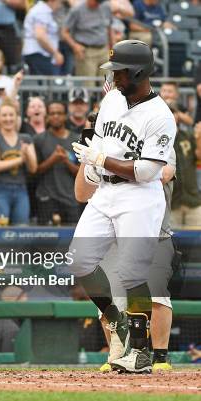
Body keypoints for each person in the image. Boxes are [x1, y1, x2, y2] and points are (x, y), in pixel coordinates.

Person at [69, 40, 177, 373]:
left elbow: (147, 171)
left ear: (139, 73)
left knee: (132, 273)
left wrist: (101, 159)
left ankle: (141, 353)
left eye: (120, 72)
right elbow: (100, 137)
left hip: (139, 196)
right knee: (79, 260)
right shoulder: (113, 98)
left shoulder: (161, 116)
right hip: (106, 190)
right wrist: (91, 165)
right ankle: (119, 323)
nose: (114, 77)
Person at [74, 147, 177, 372]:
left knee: (156, 293)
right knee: (109, 300)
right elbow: (81, 194)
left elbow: (161, 175)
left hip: (154, 232)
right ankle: (119, 354)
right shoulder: (104, 140)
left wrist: (105, 161)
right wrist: (90, 155)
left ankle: (157, 356)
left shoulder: (157, 136)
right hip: (112, 233)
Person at [0, 98, 37, 225]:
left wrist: (28, 155)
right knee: (0, 229)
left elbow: (33, 168)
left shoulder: (26, 138)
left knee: (22, 229)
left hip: (21, 190)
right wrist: (21, 159)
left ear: (17, 117)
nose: (8, 119)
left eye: (11, 115)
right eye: (4, 115)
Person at [34, 101, 80, 225]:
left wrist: (65, 160)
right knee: (45, 241)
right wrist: (53, 159)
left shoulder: (77, 140)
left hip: (70, 198)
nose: (55, 116)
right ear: (47, 116)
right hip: (46, 197)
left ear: (65, 116)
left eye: (59, 113)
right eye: (52, 113)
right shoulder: (39, 139)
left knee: (72, 240)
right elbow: (34, 171)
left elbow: (81, 173)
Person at [61, 0, 112, 85]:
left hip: (104, 50)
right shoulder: (77, 10)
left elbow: (109, 28)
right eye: (96, 1)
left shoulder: (105, 6)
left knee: (108, 85)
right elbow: (64, 32)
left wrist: (112, 50)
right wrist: (75, 46)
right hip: (86, 51)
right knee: (87, 86)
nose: (98, 4)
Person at [171, 110, 201, 227]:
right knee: (172, 244)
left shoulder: (188, 136)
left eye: (173, 113)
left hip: (193, 201)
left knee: (197, 243)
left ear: (177, 116)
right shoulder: (157, 140)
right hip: (171, 204)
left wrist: (199, 137)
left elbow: (199, 156)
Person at [21, 0, 64, 76]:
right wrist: (55, 53)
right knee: (44, 85)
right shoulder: (42, 11)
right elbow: (40, 36)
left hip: (39, 55)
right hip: (38, 55)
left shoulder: (42, 10)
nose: (60, 5)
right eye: (59, 1)